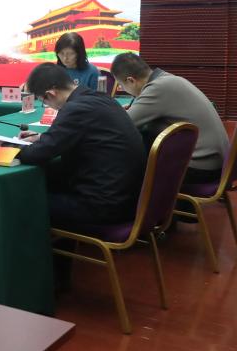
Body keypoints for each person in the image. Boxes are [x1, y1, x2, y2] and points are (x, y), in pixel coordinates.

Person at [15, 63, 145, 227]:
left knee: (20, 202)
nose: (47, 106)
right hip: (127, 197)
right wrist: (42, 137)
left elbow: (38, 154)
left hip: (102, 206)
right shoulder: (99, 97)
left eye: (43, 102)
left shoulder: (75, 108)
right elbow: (76, 136)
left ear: (51, 94)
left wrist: (11, 148)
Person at [112, 53, 229, 186]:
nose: (123, 89)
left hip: (201, 168)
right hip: (216, 162)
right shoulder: (167, 79)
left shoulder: (158, 88)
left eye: (121, 85)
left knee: (130, 162)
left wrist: (116, 112)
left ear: (131, 80)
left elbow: (123, 124)